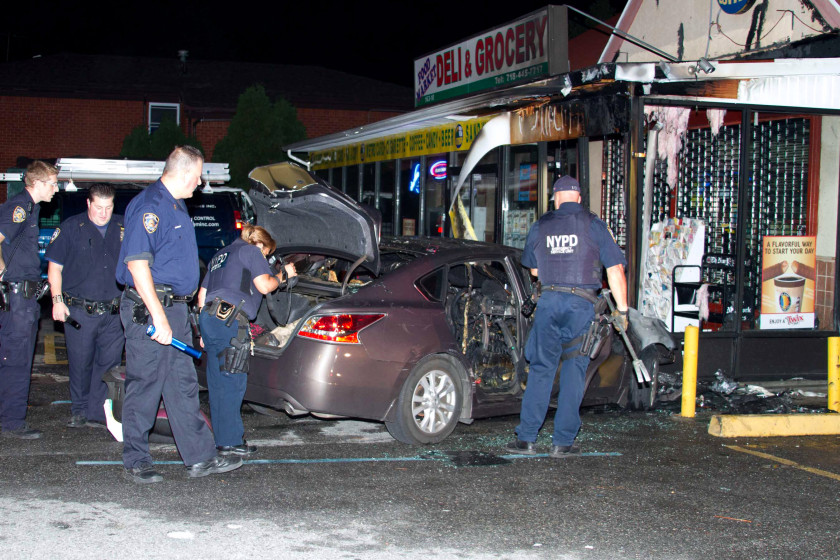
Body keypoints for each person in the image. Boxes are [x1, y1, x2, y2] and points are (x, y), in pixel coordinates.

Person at [116, 145, 242, 483]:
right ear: (186, 172)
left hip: (173, 308)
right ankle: (136, 460)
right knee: (145, 385)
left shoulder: (177, 207)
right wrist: (158, 316)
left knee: (182, 384)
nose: (200, 182)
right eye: (199, 175)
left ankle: (200, 458)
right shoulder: (150, 206)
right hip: (151, 308)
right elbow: (137, 264)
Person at [506, 175, 628, 458]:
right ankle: (562, 443)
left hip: (548, 303)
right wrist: (622, 311)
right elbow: (616, 270)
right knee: (574, 371)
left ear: (556, 198)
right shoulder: (595, 226)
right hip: (580, 305)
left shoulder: (541, 226)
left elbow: (534, 271)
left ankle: (526, 439)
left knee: (541, 369)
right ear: (579, 198)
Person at [197, 224, 296, 456]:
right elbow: (264, 285)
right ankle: (231, 442)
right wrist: (283, 275)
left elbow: (201, 296)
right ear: (260, 245)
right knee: (233, 382)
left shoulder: (220, 255)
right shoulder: (251, 251)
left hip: (209, 319)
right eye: (266, 254)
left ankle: (222, 440)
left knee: (218, 383)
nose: (265, 258)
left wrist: (202, 332)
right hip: (230, 320)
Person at [46, 183, 124, 429]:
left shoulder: (124, 226)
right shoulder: (71, 227)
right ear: (88, 204)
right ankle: (79, 409)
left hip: (113, 311)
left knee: (109, 364)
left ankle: (98, 411)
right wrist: (57, 301)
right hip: (80, 310)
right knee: (80, 362)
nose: (103, 213)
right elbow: (54, 269)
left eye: (108, 208)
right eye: (98, 207)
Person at [0, 160, 59, 439]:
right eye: (53, 183)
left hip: (20, 297)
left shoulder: (30, 209)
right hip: (16, 298)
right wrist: (4, 278)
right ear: (37, 183)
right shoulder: (20, 208)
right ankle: (12, 421)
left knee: (12, 356)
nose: (56, 189)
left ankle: (9, 415)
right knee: (17, 358)